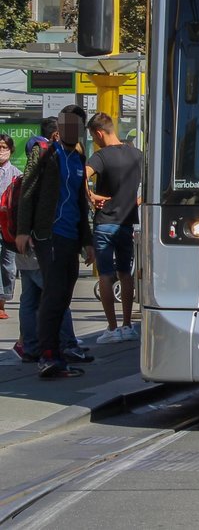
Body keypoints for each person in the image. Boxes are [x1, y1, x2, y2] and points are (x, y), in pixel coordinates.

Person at [14, 105, 96, 379]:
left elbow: (80, 203)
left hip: (71, 237)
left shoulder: (79, 158)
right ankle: (48, 356)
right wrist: (23, 230)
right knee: (53, 293)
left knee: (63, 295)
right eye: (67, 124)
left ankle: (57, 353)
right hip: (48, 235)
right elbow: (28, 191)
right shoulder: (45, 152)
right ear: (60, 127)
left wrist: (88, 241)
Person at [85, 111, 143, 344]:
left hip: (105, 224)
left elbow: (81, 176)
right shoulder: (138, 155)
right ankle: (128, 325)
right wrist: (136, 201)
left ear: (99, 133)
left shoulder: (101, 157)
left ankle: (111, 328)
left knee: (106, 275)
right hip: (127, 224)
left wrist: (91, 195)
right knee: (125, 274)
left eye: (94, 136)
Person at [0, 133, 19, 320]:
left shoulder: (17, 175)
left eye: (4, 147)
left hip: (9, 226)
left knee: (8, 265)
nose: (1, 151)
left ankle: (3, 300)